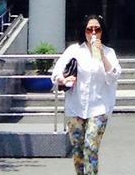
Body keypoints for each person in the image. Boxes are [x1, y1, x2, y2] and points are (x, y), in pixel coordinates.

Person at [51, 14, 121, 175]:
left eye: (97, 29)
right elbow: (56, 73)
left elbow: (114, 76)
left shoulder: (109, 52)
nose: (93, 33)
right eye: (89, 29)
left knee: (91, 148)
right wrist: (64, 79)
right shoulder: (74, 50)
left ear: (103, 32)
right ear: (84, 31)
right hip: (76, 107)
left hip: (99, 107)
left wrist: (102, 55)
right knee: (78, 151)